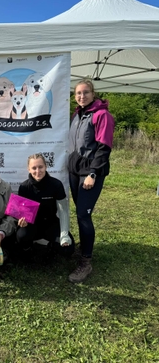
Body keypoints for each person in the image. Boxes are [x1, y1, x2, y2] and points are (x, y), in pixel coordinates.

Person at [68, 80, 115, 283]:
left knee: (83, 215)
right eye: (78, 93)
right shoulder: (77, 114)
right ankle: (83, 248)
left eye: (86, 92)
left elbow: (104, 147)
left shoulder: (101, 115)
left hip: (90, 172)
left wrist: (93, 173)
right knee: (80, 213)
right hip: (75, 170)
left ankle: (86, 262)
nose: (81, 96)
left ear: (93, 93)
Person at [16, 153, 75, 261]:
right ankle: (28, 250)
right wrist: (22, 221)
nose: (38, 171)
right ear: (29, 169)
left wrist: (64, 234)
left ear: (46, 167)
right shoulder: (24, 187)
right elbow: (22, 213)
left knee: (68, 248)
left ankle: (51, 248)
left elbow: (63, 211)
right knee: (21, 236)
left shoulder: (56, 184)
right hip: (32, 225)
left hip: (50, 223)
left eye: (40, 167)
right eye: (34, 168)